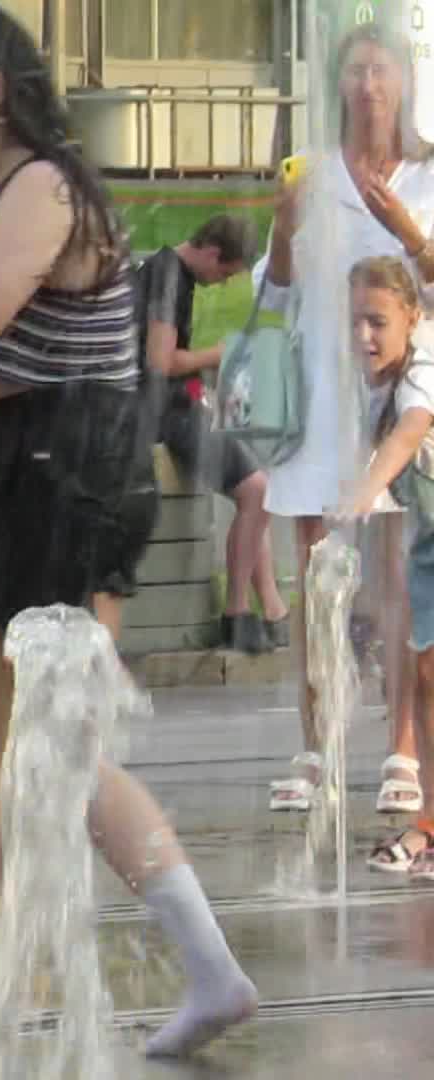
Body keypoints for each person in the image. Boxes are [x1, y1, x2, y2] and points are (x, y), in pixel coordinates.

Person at [0, 8, 255, 1060]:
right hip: (11, 462)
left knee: (54, 744)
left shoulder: (44, 188)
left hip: (67, 462)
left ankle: (207, 966)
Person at [261, 21, 434, 821]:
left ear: (405, 83)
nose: (369, 86)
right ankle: (317, 743)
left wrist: (408, 231)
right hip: (322, 395)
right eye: (357, 70)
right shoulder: (317, 171)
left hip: (399, 397)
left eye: (382, 70)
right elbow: (276, 293)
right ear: (338, 84)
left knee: (397, 578)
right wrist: (281, 228)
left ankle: (403, 745)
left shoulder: (427, 175)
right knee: (316, 579)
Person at [135, 215, 292, 656]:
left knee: (254, 492)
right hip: (163, 411)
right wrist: (220, 354)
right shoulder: (168, 277)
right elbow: (161, 361)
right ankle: (237, 612)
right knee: (256, 490)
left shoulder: (168, 272)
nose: (220, 283)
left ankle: (272, 609)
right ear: (211, 253)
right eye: (224, 273)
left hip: (172, 404)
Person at [337, 256, 434, 882]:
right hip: (430, 544)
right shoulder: (383, 379)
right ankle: (430, 825)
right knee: (425, 676)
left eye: (377, 321)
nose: (363, 335)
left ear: (412, 318)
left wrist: (366, 488)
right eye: (355, 322)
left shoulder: (423, 372)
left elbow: (411, 431)